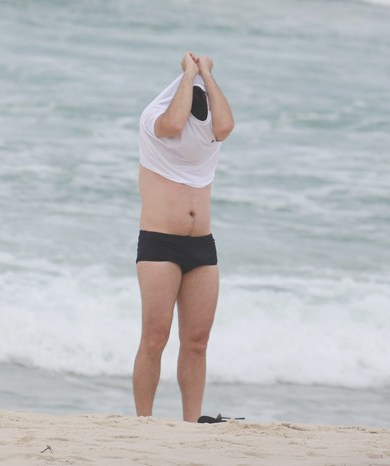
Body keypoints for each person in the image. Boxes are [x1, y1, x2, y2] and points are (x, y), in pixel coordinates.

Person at [133, 51, 234, 422]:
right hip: (160, 243)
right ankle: (144, 421)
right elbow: (174, 122)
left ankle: (191, 425)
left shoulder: (208, 134)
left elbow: (225, 124)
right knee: (155, 339)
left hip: (202, 247)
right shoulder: (153, 121)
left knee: (196, 343)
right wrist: (187, 73)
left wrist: (205, 72)